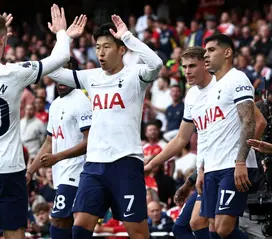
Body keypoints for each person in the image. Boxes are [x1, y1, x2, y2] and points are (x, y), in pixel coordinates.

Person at [0, 5, 81, 239]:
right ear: (4, 41)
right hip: (8, 168)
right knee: (14, 232)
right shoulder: (14, 72)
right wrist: (62, 33)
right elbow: (61, 57)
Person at [41, 14, 163, 239]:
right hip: (95, 166)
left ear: (122, 50)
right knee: (79, 228)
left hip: (126, 163)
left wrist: (127, 36)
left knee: (137, 232)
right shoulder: (91, 77)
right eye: (97, 47)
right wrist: (64, 37)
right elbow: (51, 70)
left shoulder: (135, 76)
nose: (101, 53)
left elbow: (156, 63)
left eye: (107, 47)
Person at [144, 46, 266, 239]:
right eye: (184, 67)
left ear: (205, 64)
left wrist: (243, 153)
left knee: (219, 228)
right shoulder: (192, 95)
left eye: (192, 66)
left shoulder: (225, 84)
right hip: (208, 168)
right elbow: (182, 139)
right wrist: (153, 164)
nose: (187, 71)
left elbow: (258, 121)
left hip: (231, 165)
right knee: (196, 226)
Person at [197, 34, 259, 239]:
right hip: (213, 166)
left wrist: (241, 161)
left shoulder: (238, 78)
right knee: (213, 228)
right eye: (205, 51)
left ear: (227, 52)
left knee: (224, 228)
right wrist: (202, 168)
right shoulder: (211, 88)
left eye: (211, 50)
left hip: (232, 165)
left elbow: (249, 122)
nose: (205, 55)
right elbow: (208, 132)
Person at [27, 63, 92, 238]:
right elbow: (49, 141)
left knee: (58, 219)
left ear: (74, 74)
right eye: (58, 73)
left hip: (78, 171)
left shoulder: (82, 101)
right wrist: (30, 171)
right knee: (68, 223)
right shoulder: (55, 104)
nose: (61, 78)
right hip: (61, 173)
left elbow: (90, 140)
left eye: (66, 72)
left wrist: (58, 157)